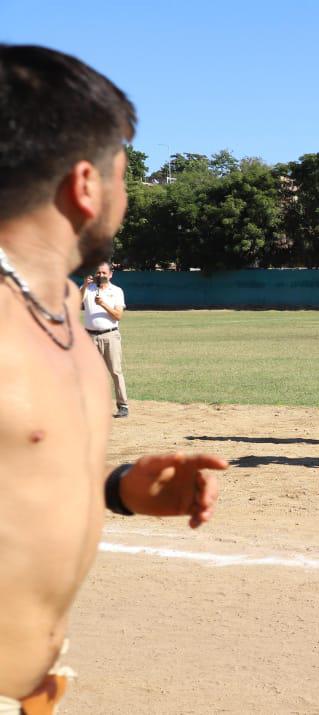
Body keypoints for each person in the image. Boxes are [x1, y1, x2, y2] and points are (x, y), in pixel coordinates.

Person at [0, 44, 227, 710]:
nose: (126, 197)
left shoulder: (64, 307)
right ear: (85, 186)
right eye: (123, 174)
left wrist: (115, 490)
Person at [80, 260, 129, 418]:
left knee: (115, 371)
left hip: (110, 335)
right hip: (90, 336)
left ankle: (123, 405)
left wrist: (103, 305)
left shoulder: (117, 291)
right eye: (98, 272)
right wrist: (84, 286)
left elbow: (118, 315)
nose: (100, 275)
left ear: (111, 275)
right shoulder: (88, 289)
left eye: (104, 273)